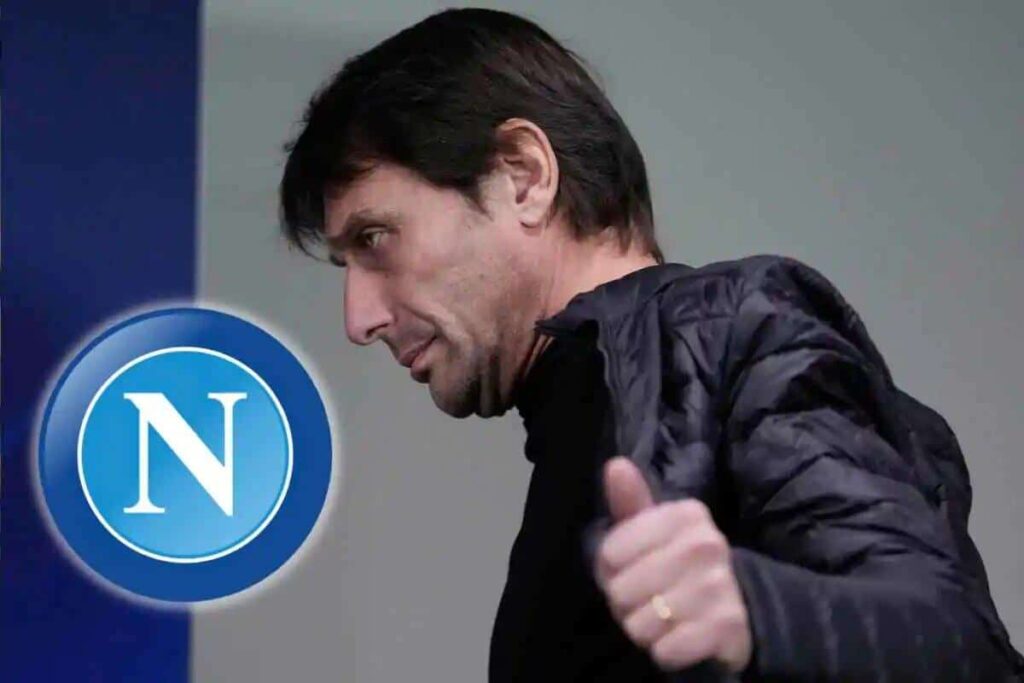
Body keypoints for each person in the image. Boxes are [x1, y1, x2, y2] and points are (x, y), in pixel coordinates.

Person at [277, 8, 1024, 681]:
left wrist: (757, 610)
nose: (358, 319)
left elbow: (954, 638)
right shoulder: (575, 420)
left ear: (522, 177)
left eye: (375, 238)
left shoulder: (734, 329)